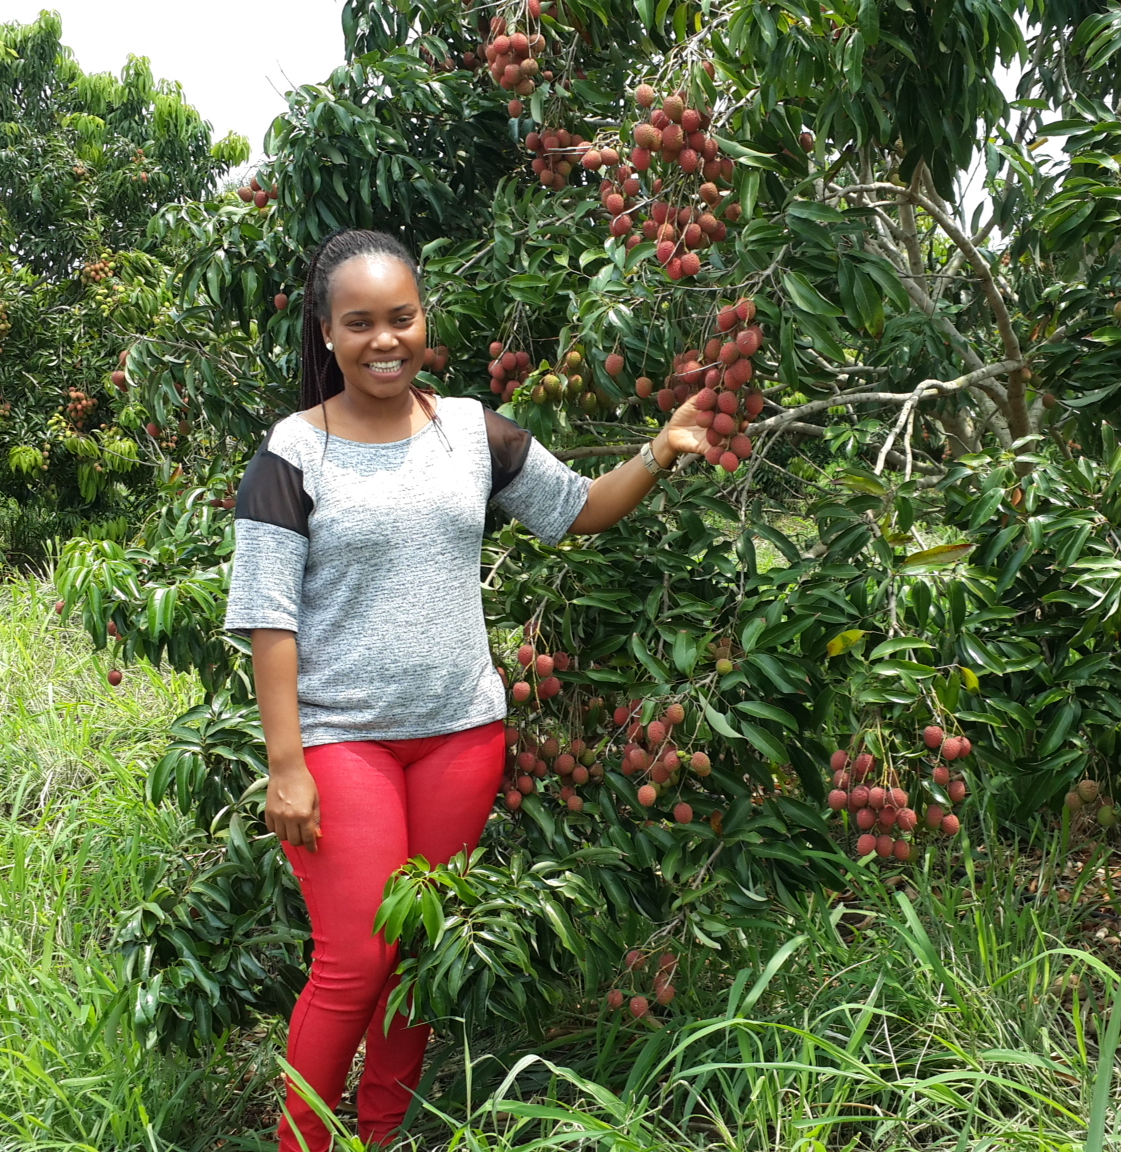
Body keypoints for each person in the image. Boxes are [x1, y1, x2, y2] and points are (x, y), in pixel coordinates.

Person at [221, 227, 708, 1152]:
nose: (384, 340)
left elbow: (579, 512)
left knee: (415, 958)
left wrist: (660, 449)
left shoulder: (471, 433)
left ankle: (380, 1136)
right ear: (326, 334)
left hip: (460, 735)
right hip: (339, 739)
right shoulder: (293, 453)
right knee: (354, 961)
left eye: (400, 317)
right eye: (359, 323)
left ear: (423, 320)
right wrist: (285, 763)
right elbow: (267, 619)